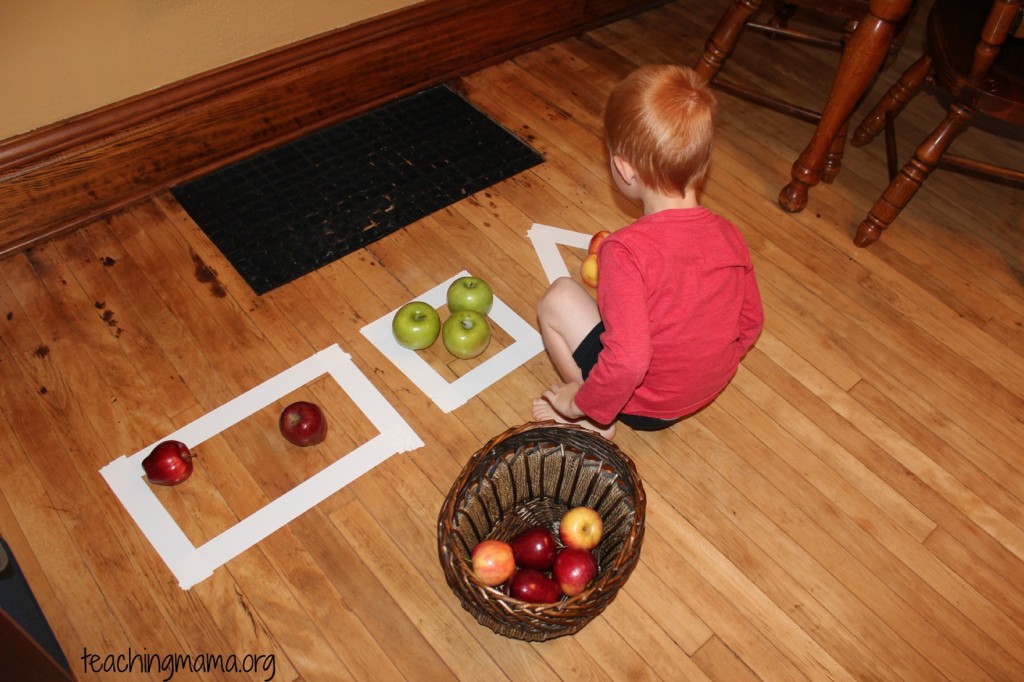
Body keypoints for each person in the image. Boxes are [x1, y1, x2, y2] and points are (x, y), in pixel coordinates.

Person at [531, 64, 764, 439]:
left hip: (642, 407)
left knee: (557, 297)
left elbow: (629, 360)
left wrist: (577, 401)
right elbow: (751, 320)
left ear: (624, 168)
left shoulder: (625, 251)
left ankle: (594, 420)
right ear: (701, 162)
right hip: (703, 390)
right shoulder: (728, 233)